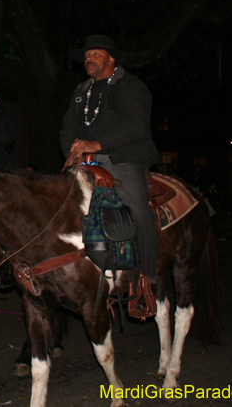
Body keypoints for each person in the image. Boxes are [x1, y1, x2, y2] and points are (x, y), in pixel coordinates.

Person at [60, 34, 160, 285]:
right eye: (85, 56)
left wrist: (98, 145)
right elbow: (67, 127)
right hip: (84, 161)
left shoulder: (131, 86)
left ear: (111, 58)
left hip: (123, 159)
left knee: (138, 209)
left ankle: (146, 278)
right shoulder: (81, 90)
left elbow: (136, 126)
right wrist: (71, 151)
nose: (88, 59)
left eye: (95, 54)